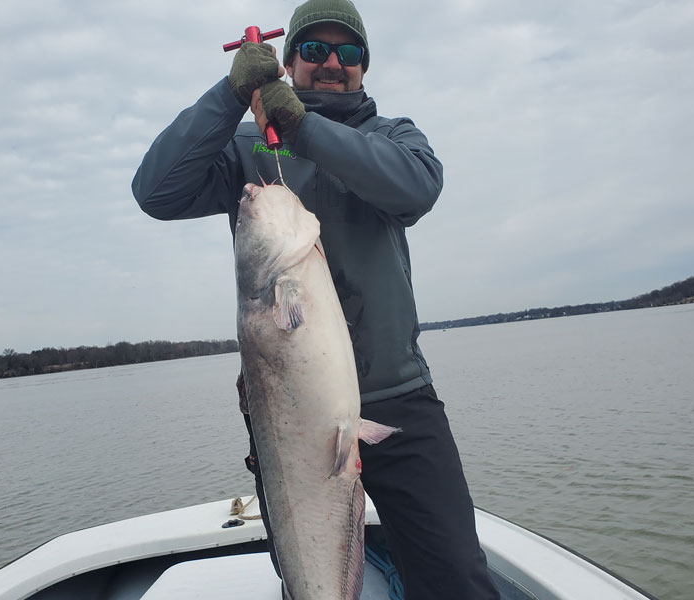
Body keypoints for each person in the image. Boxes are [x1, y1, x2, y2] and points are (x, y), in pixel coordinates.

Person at [132, 1, 499, 597]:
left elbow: (416, 189)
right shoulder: (247, 147)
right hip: (289, 409)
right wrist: (229, 96)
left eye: (348, 52)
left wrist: (303, 128)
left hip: (399, 399)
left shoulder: (393, 137)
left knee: (455, 574)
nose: (332, 62)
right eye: (314, 49)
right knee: (310, 573)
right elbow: (156, 191)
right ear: (289, 59)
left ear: (363, 66)